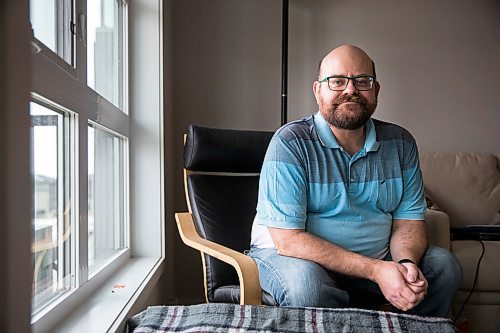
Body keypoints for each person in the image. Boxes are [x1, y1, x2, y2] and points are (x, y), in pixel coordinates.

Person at [248, 45, 462, 317]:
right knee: (308, 287)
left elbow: (409, 223)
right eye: (336, 81)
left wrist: (404, 263)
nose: (350, 90)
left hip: (378, 258)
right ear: (318, 91)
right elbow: (289, 241)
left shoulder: (400, 143)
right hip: (292, 258)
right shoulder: (290, 143)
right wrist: (376, 270)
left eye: (362, 81)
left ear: (376, 91)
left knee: (443, 267)